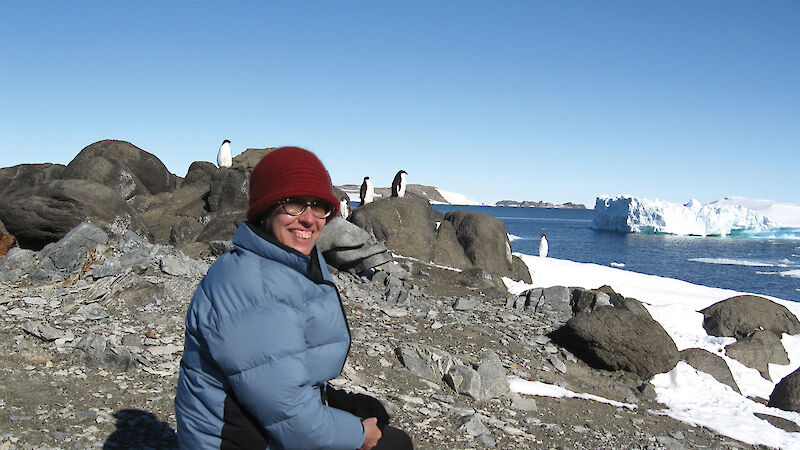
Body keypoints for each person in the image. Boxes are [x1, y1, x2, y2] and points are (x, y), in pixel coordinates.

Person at [175, 147, 413, 449]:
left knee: (373, 413)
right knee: (392, 444)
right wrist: (360, 435)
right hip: (239, 441)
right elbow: (294, 422)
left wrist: (340, 404)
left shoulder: (285, 262)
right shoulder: (251, 287)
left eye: (318, 207)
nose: (309, 219)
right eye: (294, 205)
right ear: (265, 209)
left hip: (256, 417)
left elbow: (278, 369)